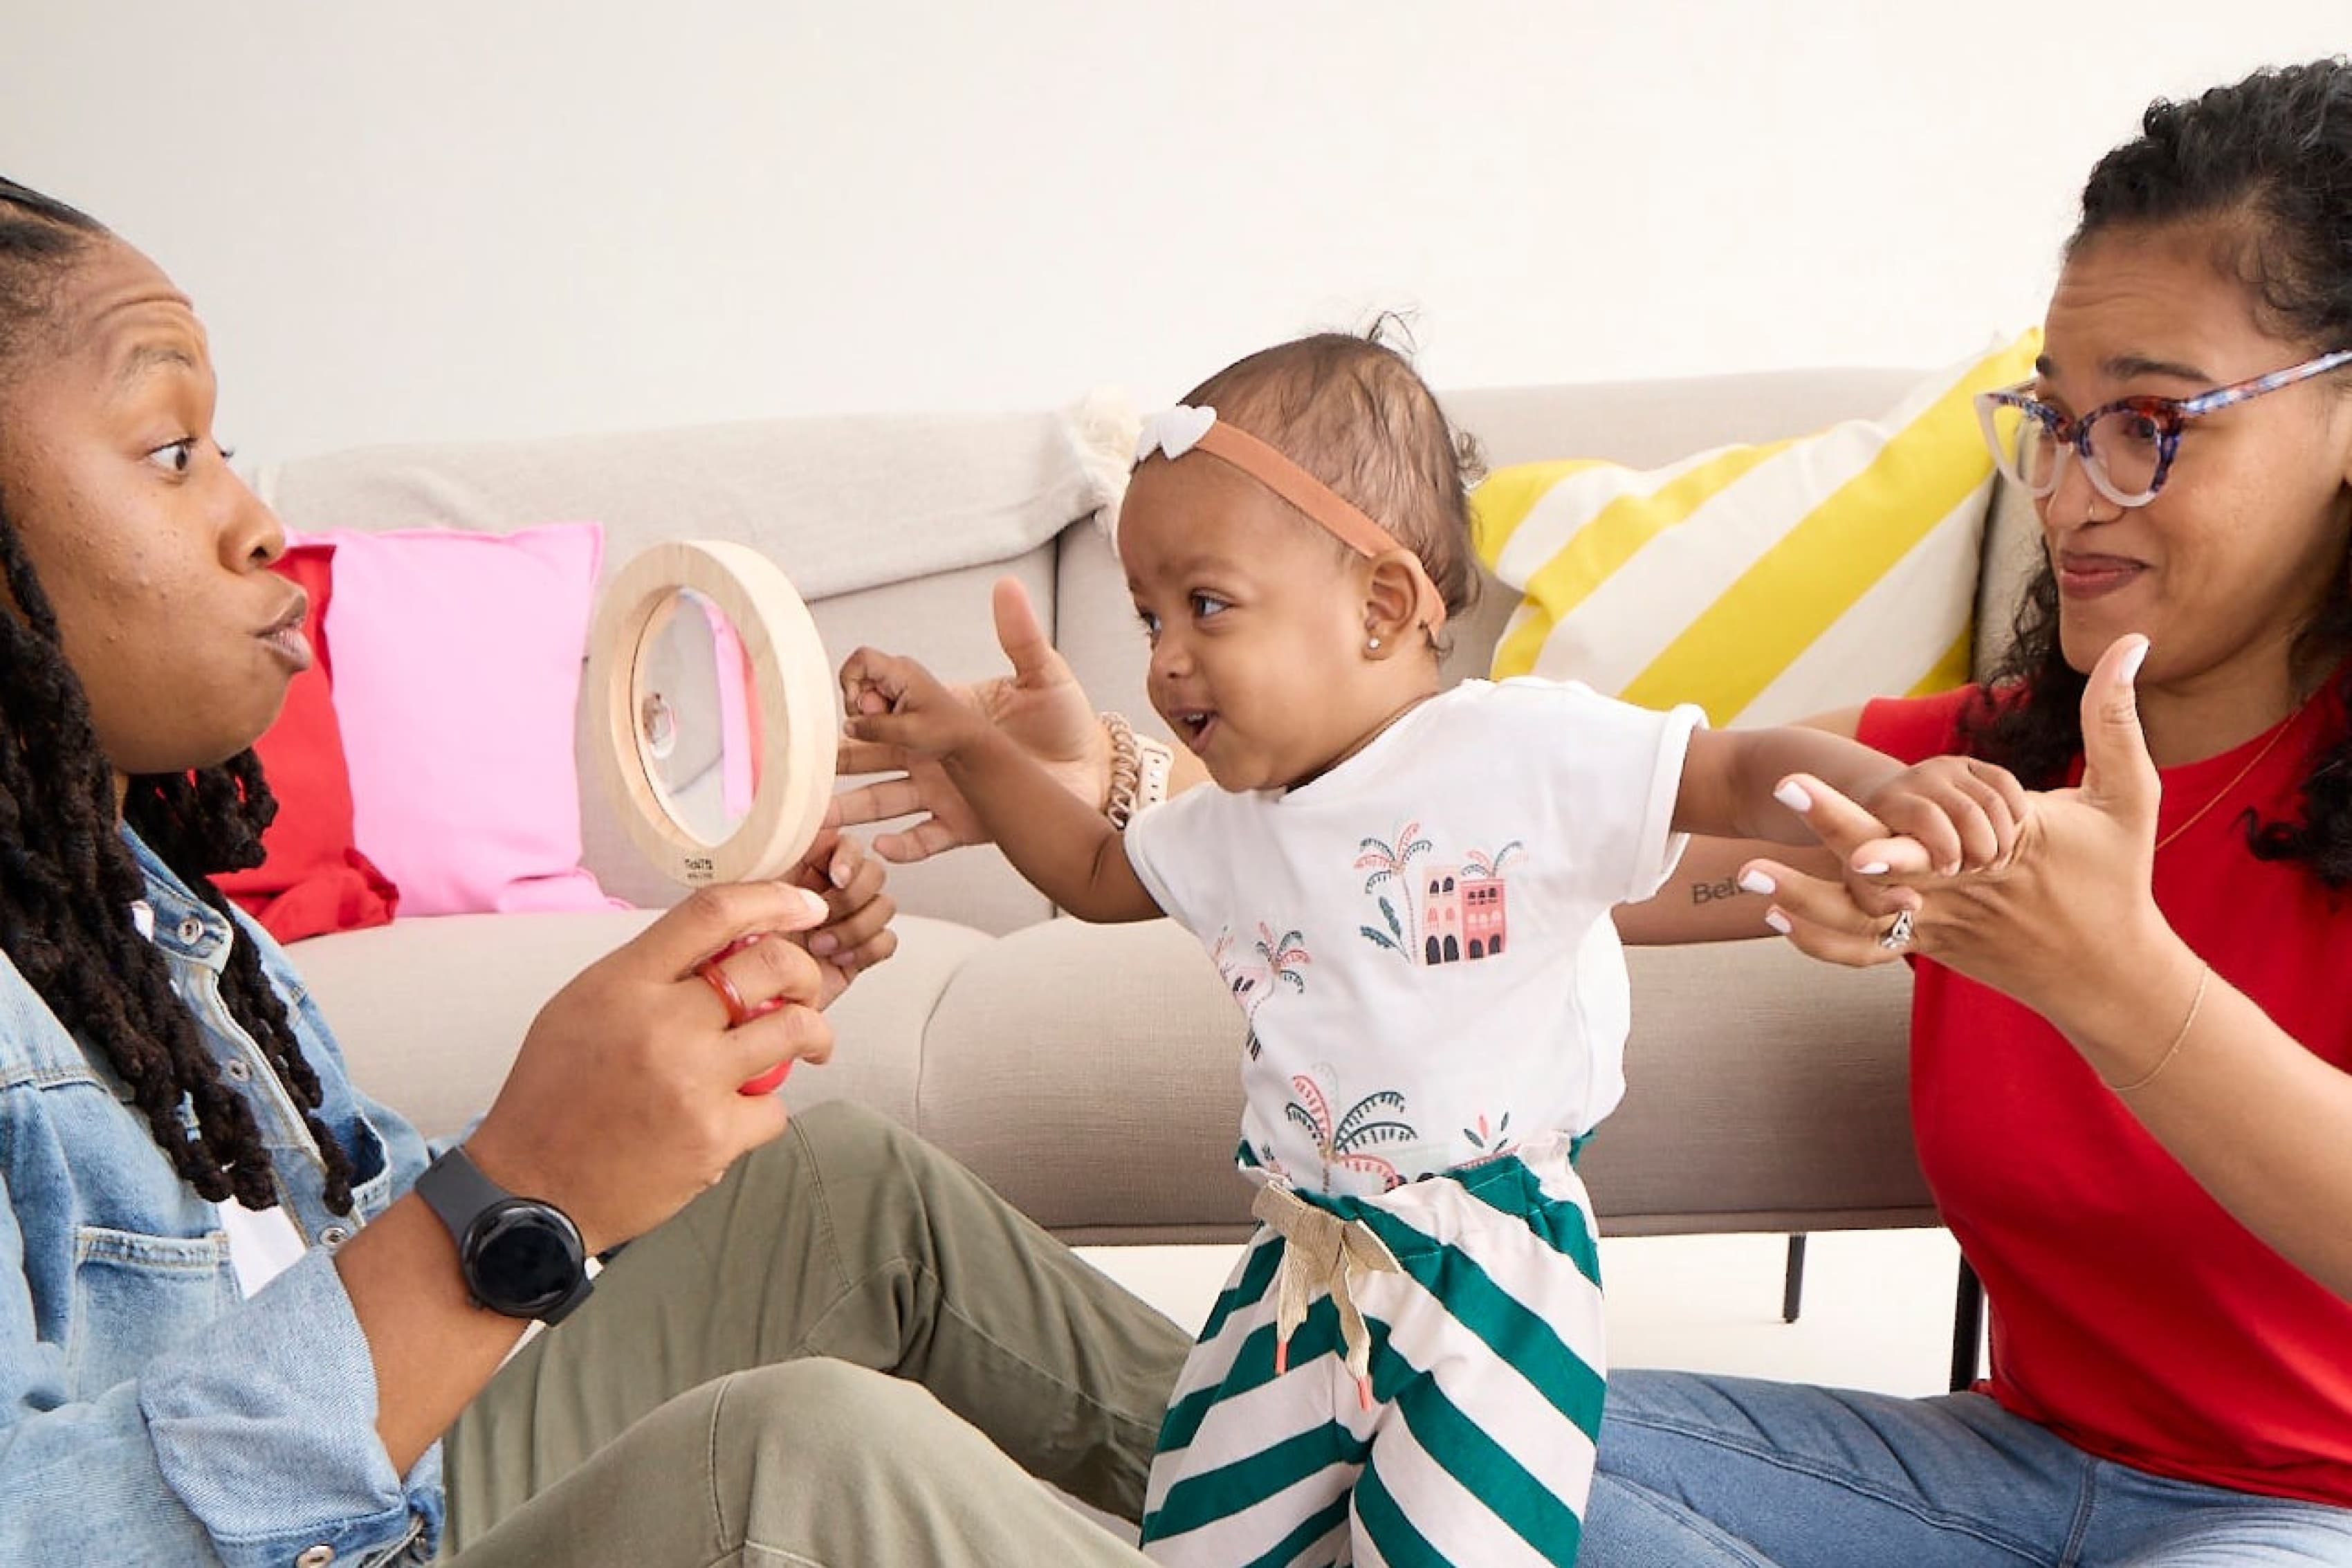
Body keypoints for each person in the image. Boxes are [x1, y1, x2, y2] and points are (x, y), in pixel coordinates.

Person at [838, 59, 2352, 1565]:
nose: (2072, 490)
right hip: (1999, 1471)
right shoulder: (1964, 769)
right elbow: (1447, 866)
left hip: (2301, 1519)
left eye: (2151, 419)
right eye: (2051, 418)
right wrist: (1109, 772)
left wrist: (2113, 977)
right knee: (1460, 1452)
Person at [0, 175, 1199, 1567]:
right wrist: (518, 1199)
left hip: (395, 1496)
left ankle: (1360, 1510)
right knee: (799, 1459)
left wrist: (631, 1094)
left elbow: (356, 1242)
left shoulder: (157, 926)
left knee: (840, 1190)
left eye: (226, 450)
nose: (258, 520)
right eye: (171, 451)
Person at [836, 333, 2016, 1567]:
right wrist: (970, 746)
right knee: (1198, 1537)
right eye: (1146, 616)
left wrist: (1887, 789)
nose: (1163, 656)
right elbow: (1089, 870)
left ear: (1383, 607)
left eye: (1207, 605)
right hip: (1299, 1275)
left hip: (1494, 1279)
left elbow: (1732, 767)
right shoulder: (1232, 826)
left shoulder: (1521, 751)